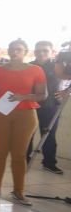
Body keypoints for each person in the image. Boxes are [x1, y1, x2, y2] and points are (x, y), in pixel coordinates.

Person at [0, 39, 47, 204]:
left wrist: (23, 97)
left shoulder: (36, 70)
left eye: (18, 49)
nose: (14, 52)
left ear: (26, 52)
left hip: (26, 114)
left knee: (19, 154)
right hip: (0, 113)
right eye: (11, 49)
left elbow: (42, 95)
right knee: (0, 152)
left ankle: (19, 191)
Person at [28, 41, 64, 174]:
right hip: (30, 105)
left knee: (49, 134)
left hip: (51, 106)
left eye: (45, 50)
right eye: (38, 51)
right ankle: (24, 161)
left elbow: (67, 79)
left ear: (52, 52)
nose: (41, 53)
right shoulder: (28, 67)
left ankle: (49, 163)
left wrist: (64, 92)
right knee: (27, 135)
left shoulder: (58, 67)